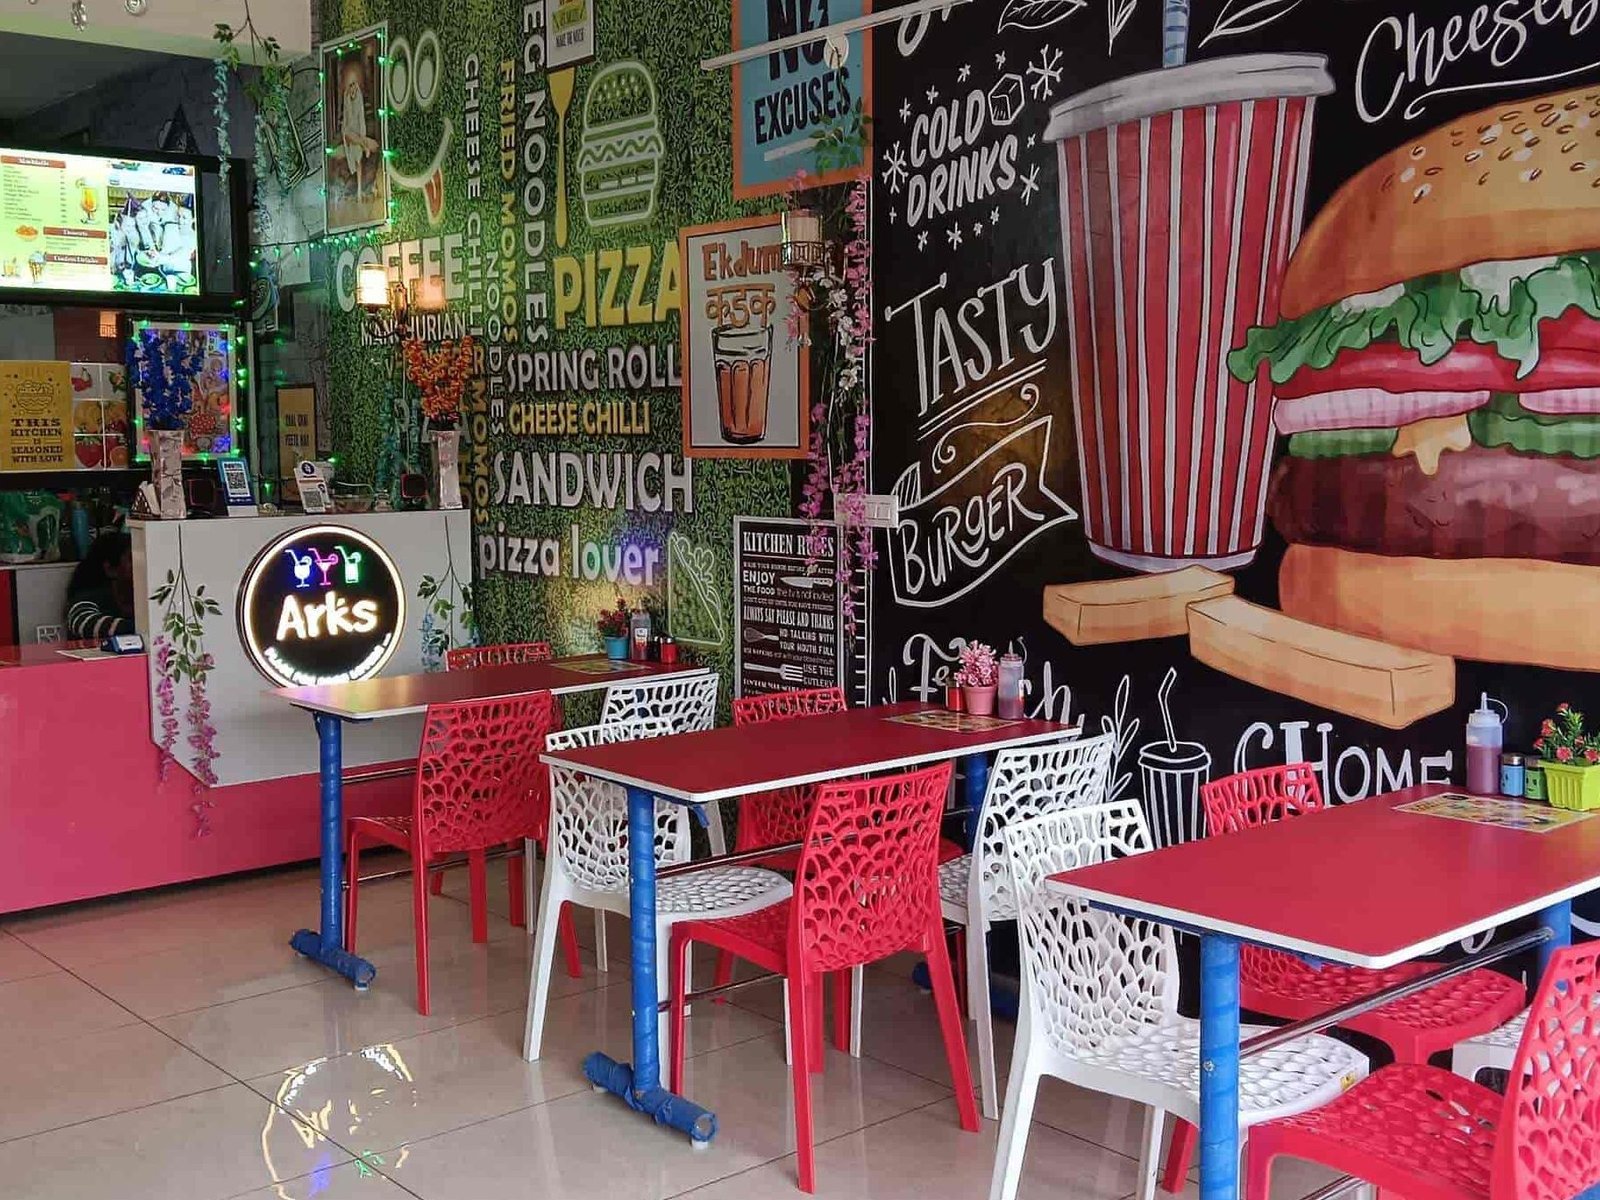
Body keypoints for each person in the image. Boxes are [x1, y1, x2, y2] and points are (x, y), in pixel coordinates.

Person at [65, 531, 134, 640]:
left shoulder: (147, 599)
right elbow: (85, 623)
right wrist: (147, 628)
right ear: (111, 569)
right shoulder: (85, 600)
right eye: (132, 559)